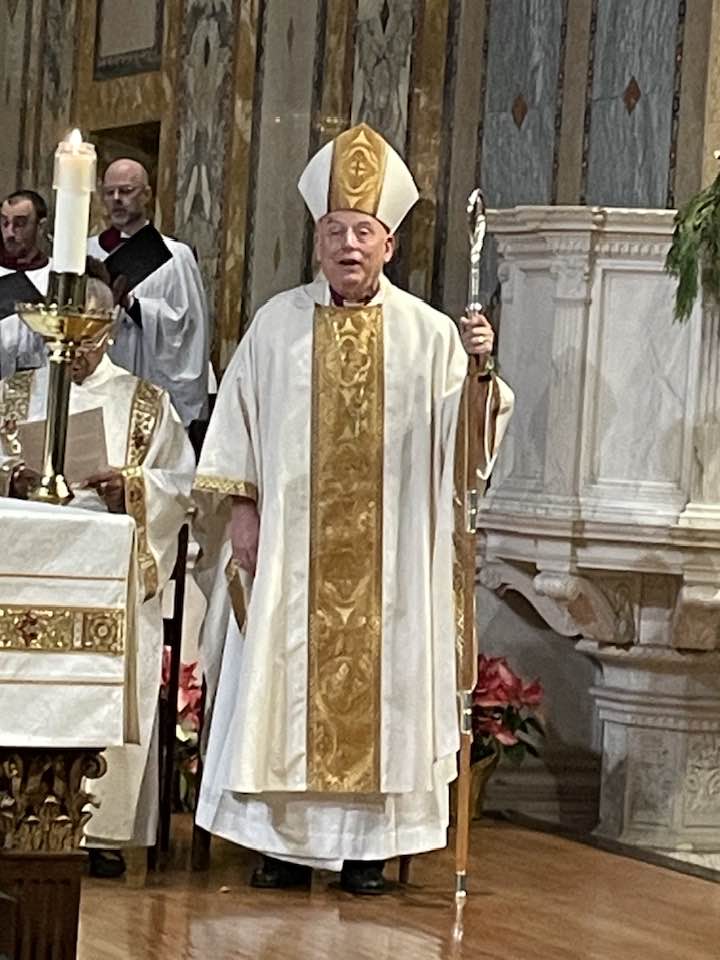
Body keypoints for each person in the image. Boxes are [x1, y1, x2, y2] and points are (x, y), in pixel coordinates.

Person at [193, 123, 514, 895]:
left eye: (362, 231)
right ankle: (280, 847)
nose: (348, 244)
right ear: (316, 240)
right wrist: (243, 508)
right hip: (291, 553)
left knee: (387, 690)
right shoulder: (276, 326)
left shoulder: (429, 335)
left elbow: (467, 449)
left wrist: (480, 372)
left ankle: (368, 852)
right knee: (280, 682)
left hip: (392, 562)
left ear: (388, 245)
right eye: (334, 230)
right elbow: (238, 422)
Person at [0, 258, 196, 875]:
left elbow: (180, 485)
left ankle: (101, 830)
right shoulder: (13, 394)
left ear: (108, 329)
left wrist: (129, 487)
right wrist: (11, 479)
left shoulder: (145, 403)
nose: (77, 348)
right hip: (22, 563)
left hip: (107, 566)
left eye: (89, 332)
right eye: (67, 331)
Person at [87, 158, 210, 428]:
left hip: (151, 382)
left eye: (126, 191)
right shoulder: (86, 252)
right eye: (109, 192)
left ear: (146, 194)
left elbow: (188, 330)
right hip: (96, 388)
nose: (116, 199)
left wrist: (131, 304)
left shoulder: (176, 256)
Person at [0, 190, 49, 378]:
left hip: (40, 381)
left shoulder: (56, 277)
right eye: (4, 222)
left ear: (40, 226)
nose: (10, 233)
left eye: (20, 224)